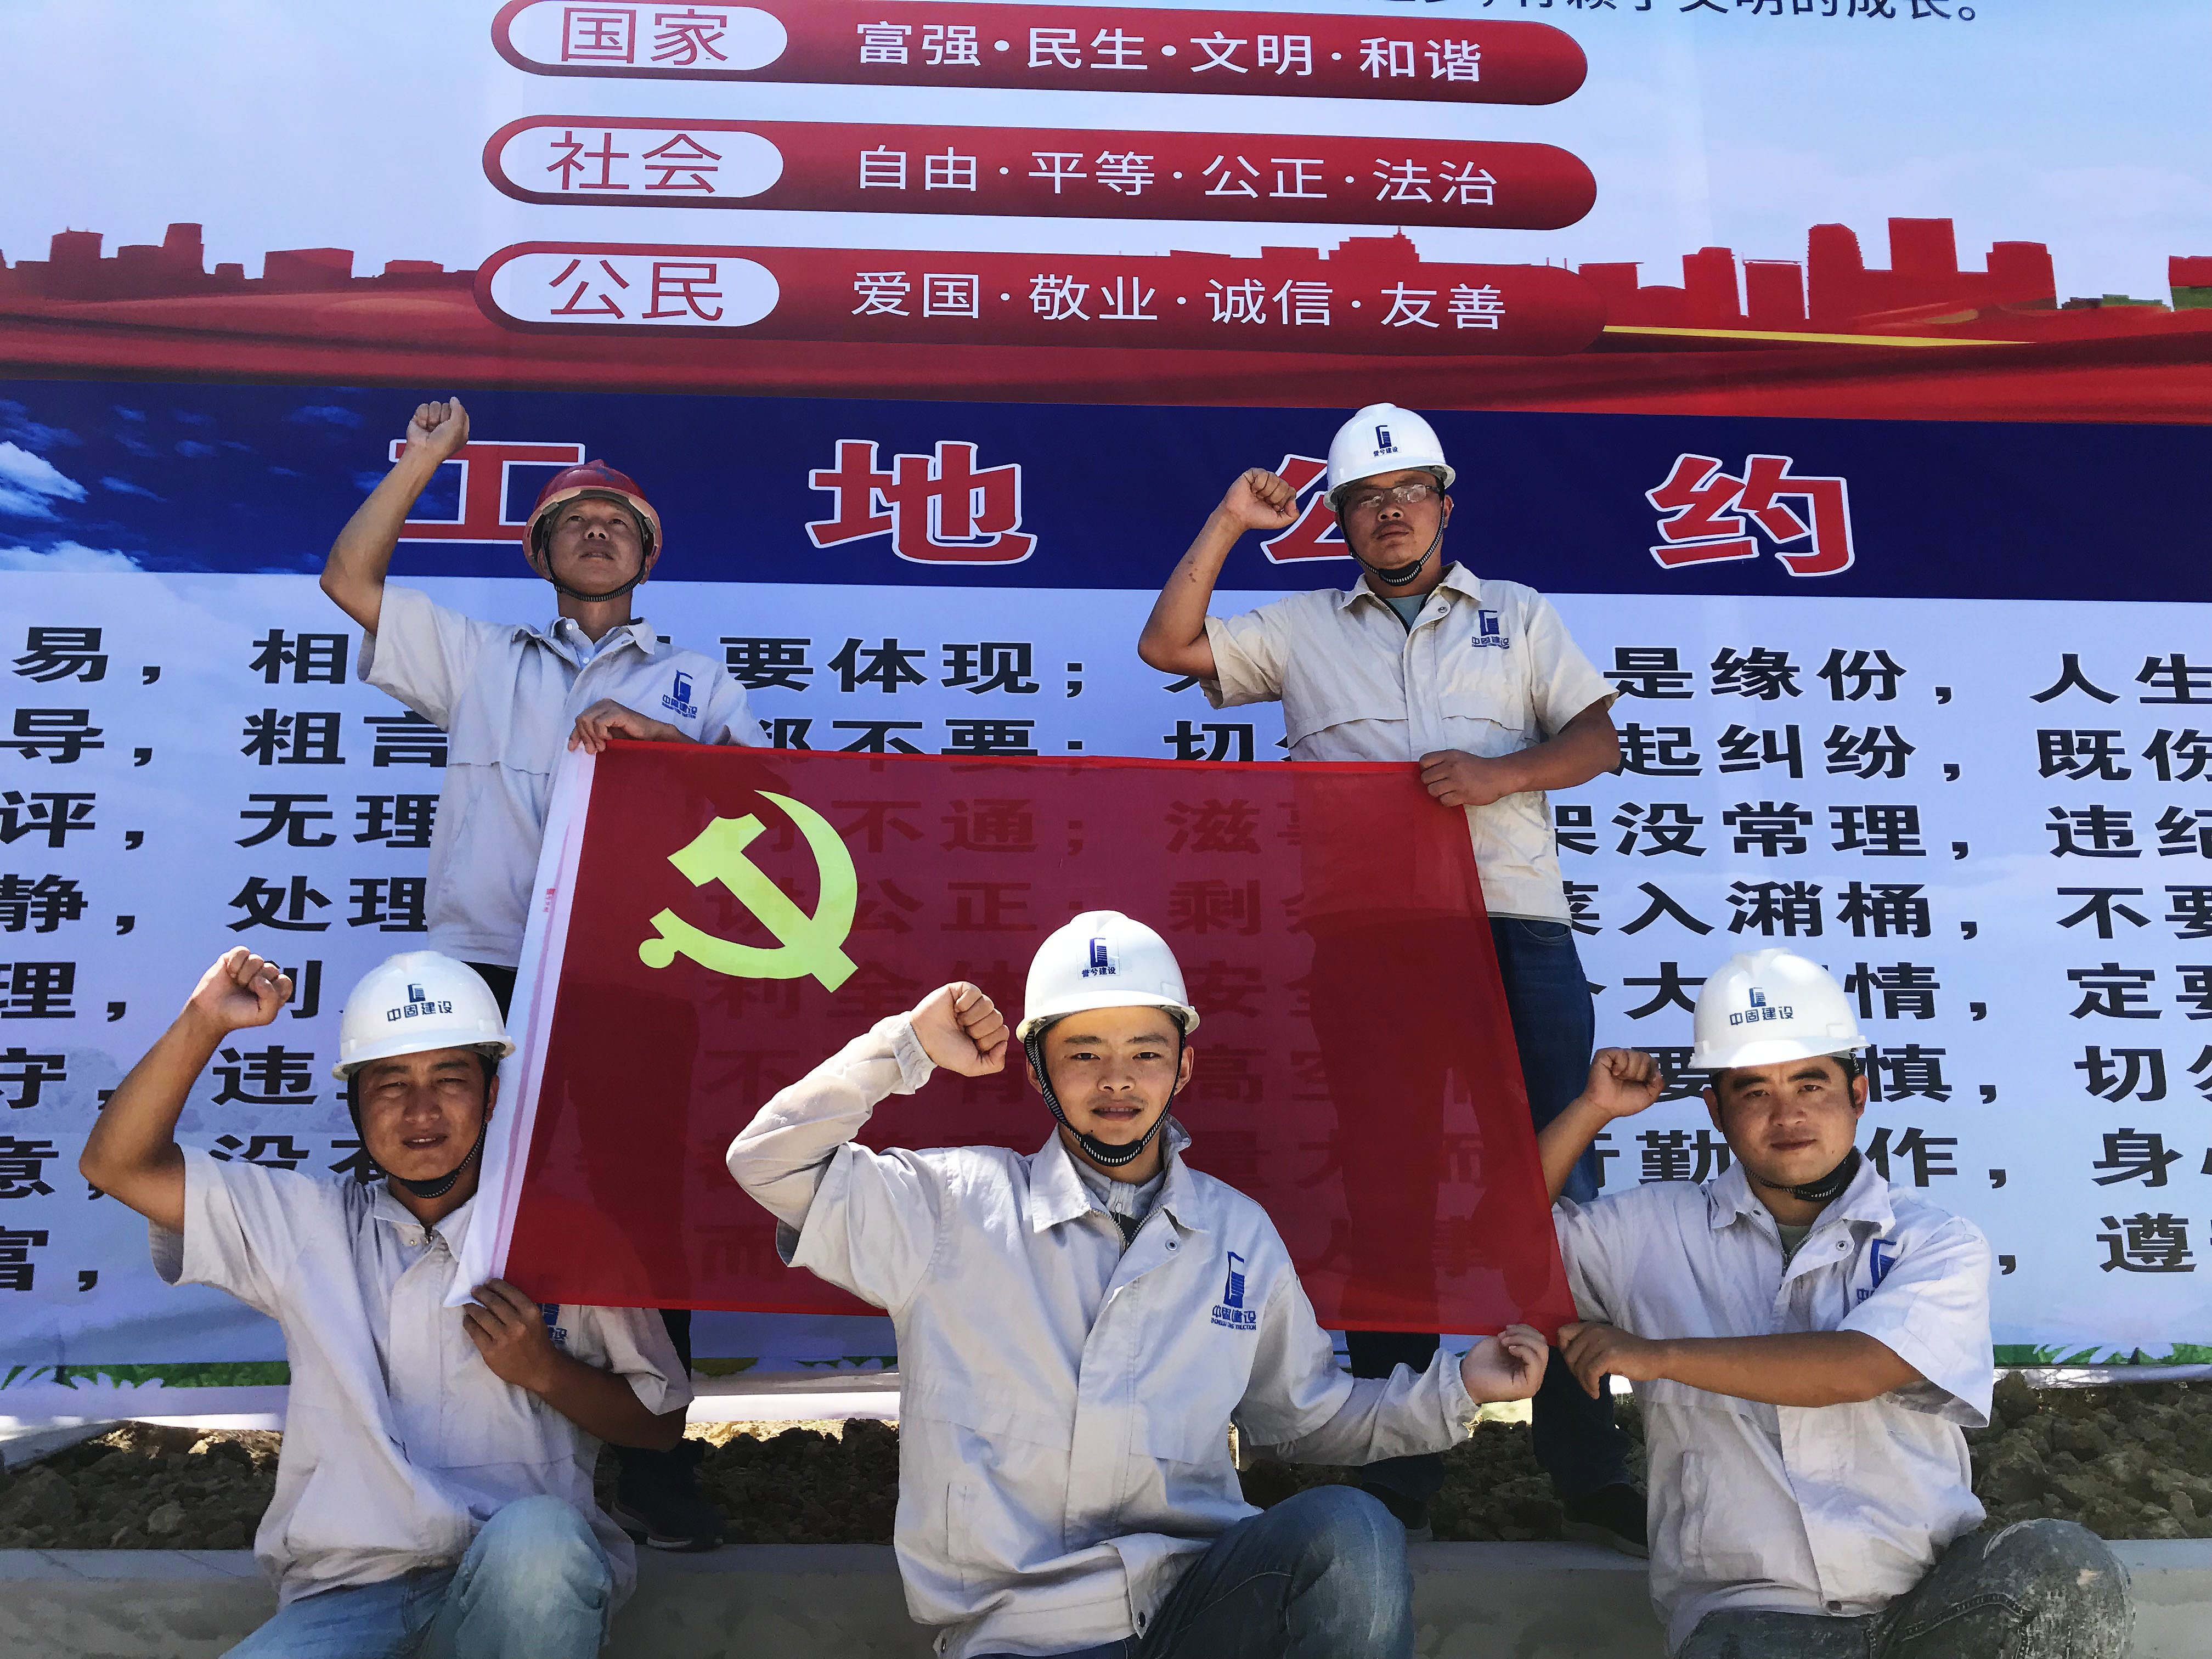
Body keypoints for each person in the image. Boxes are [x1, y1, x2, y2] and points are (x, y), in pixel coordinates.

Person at [727, 910, 1551, 1659]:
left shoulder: (1235, 1235)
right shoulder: (953, 1210)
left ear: (1183, 1068)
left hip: (1200, 1611)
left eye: (1145, 1054)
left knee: (1356, 1531)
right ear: (1038, 1072)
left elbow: (1306, 1417)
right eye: (1083, 1055)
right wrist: (907, 1047)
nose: (1117, 1081)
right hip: (1023, 1636)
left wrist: (1460, 1388)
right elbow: (767, 1162)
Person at [1135, 403, 1638, 1550]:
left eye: (1410, 490)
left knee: (1554, 1196)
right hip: (1374, 948)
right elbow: (1169, 647)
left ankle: (1588, 1465)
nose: (1391, 512)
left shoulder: (1518, 615)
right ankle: (1397, 1465)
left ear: (1445, 504)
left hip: (1516, 935)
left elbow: (1598, 741)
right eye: (1365, 499)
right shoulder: (1302, 626)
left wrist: (1503, 775)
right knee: (1391, 1194)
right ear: (1341, 521)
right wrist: (1230, 520)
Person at [321, 396, 755, 1549]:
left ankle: (655, 1462)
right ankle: (454, 1445)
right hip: (485, 974)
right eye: (574, 522)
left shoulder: (697, 682)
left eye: (618, 524)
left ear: (648, 556)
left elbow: (767, 812)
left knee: (638, 1212)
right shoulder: (479, 657)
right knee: (463, 1194)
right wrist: (425, 460)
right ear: (540, 554)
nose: (597, 534)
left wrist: (666, 745)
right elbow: (348, 580)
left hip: (632, 975)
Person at [80, 947, 691, 1659]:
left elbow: (660, 1426)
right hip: (348, 1599)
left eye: (450, 1080)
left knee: (545, 1540)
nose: (421, 1110)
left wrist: (546, 1372)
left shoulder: (574, 1241)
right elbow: (116, 1165)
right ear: (356, 1104)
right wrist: (204, 1022)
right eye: (391, 1083)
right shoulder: (307, 1225)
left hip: (519, 1591)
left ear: (492, 1096)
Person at [1536, 948, 2133, 1658]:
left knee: (2064, 1569)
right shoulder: (1647, 1234)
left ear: (1858, 1094)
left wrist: (1658, 1356)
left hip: (1928, 1600)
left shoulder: (1933, 1240)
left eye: (1811, 1084)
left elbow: (1857, 1367)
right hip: (1751, 1616)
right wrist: (1592, 1111)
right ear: (1716, 1111)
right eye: (1754, 1091)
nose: (1787, 1113)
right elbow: (1484, 1251)